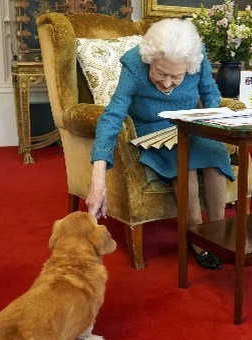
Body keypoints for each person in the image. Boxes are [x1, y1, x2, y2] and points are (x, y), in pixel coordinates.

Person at [87, 18, 231, 270]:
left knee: (215, 161)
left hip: (191, 125)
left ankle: (217, 233)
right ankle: (196, 237)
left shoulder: (197, 57)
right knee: (184, 165)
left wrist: (213, 125)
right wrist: (98, 177)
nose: (166, 84)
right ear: (150, 59)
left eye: (176, 76)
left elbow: (209, 94)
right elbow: (113, 114)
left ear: (189, 66)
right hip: (152, 130)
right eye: (160, 73)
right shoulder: (134, 62)